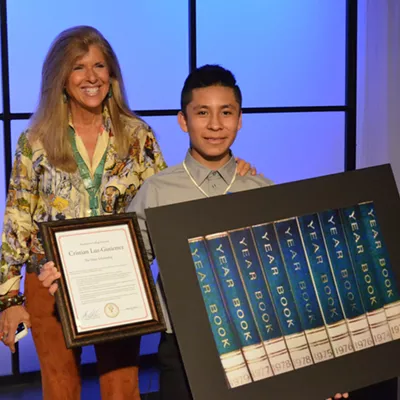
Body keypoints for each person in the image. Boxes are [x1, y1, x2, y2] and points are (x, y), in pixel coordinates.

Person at [0, 27, 254, 400]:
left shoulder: (138, 135)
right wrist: (10, 300)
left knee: (122, 389)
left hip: (118, 279)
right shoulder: (35, 139)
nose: (92, 77)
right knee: (60, 389)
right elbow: (17, 218)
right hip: (50, 280)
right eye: (78, 67)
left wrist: (230, 171)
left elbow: (170, 201)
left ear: (112, 74)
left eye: (100, 65)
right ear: (61, 78)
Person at [124, 65, 349, 400]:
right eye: (202, 113)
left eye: (226, 113)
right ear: (183, 120)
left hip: (257, 343)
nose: (215, 125)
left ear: (240, 119)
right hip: (183, 350)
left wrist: (323, 367)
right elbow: (128, 263)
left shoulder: (261, 188)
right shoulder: (157, 190)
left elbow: (293, 279)